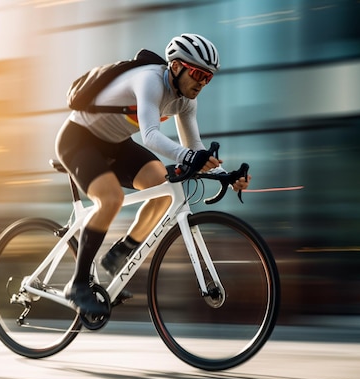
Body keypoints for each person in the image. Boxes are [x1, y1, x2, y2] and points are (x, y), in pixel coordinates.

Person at [55, 33, 251, 315]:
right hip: (79, 140)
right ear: (176, 67)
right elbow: (149, 135)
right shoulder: (149, 80)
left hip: (116, 144)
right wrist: (190, 157)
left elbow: (194, 147)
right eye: (196, 74)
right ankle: (78, 283)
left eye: (207, 78)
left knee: (162, 190)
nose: (201, 83)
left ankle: (119, 254)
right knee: (110, 199)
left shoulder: (186, 102)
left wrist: (226, 176)